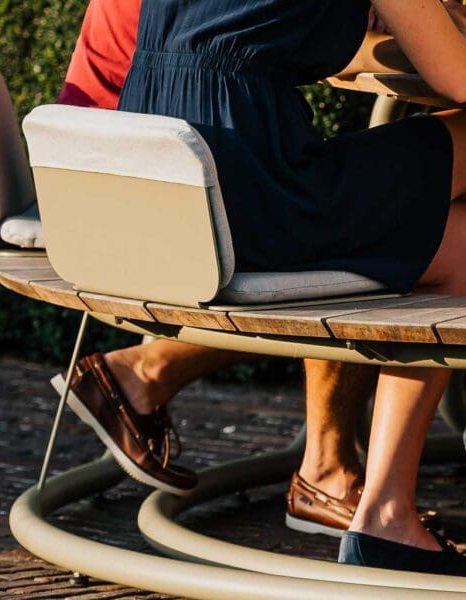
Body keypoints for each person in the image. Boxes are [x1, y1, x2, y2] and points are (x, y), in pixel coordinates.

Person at [112, 0, 466, 575]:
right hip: (248, 189)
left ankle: (386, 520)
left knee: (459, 245)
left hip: (159, 163)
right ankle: (384, 515)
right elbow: (457, 75)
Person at [57, 0, 385, 536]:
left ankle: (142, 375)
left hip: (107, 168)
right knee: (360, 239)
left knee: (346, 221)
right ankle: (325, 467)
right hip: (154, 177)